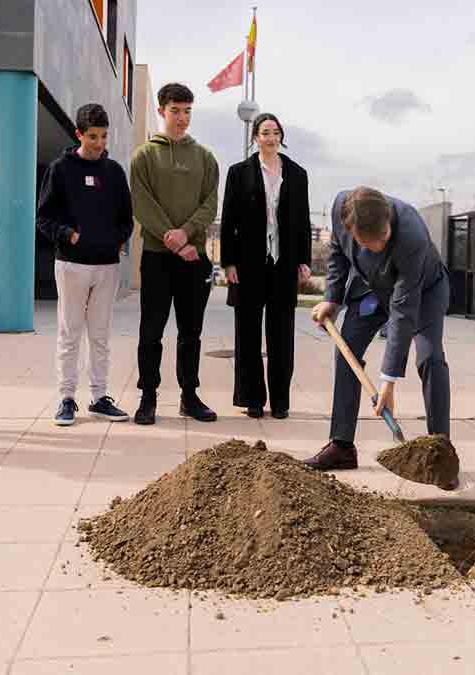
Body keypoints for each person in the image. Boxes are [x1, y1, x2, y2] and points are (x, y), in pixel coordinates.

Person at [305, 187, 450, 471]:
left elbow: (403, 310)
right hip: (369, 287)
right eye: (372, 242)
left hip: (420, 291)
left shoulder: (411, 233)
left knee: (429, 358)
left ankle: (440, 455)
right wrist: (332, 299)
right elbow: (337, 252)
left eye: (384, 237)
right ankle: (341, 446)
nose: (381, 245)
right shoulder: (339, 208)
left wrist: (388, 380)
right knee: (346, 349)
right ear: (354, 233)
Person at [36, 103, 135, 426]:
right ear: (79, 134)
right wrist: (68, 235)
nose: (99, 143)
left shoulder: (115, 172)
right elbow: (44, 217)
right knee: (70, 332)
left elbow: (126, 218)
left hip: (106, 266)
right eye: (93, 136)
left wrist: (118, 240)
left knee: (101, 334)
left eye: (104, 136)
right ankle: (66, 398)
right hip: (72, 264)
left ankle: (99, 397)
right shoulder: (61, 169)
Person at [130, 83, 219, 425]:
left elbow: (210, 203)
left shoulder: (205, 158)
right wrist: (175, 240)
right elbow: (142, 202)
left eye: (187, 112)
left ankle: (189, 396)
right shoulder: (144, 156)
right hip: (156, 257)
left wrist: (186, 236)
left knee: (190, 332)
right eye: (175, 111)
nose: (182, 118)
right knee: (150, 331)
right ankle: (148, 396)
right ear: (161, 111)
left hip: (192, 260)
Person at [220, 113, 313, 419]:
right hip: (248, 266)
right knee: (247, 335)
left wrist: (304, 260)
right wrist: (228, 262)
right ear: (255, 138)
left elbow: (302, 221)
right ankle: (253, 399)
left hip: (283, 266)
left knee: (282, 334)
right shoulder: (239, 173)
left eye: (275, 132)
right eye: (264, 132)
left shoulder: (297, 174)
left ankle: (281, 401)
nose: (270, 138)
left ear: (280, 136)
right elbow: (229, 221)